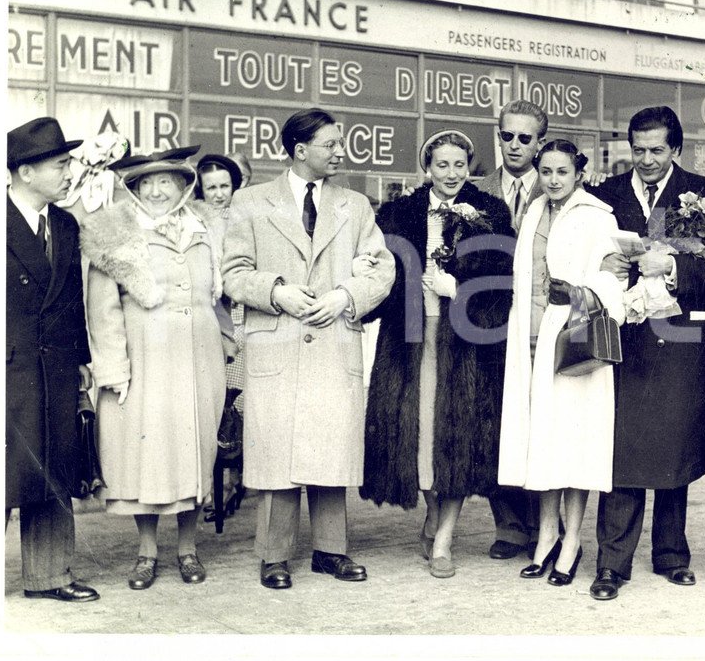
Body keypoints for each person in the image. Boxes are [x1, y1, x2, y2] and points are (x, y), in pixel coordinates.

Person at [221, 108, 394, 589]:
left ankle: (330, 552)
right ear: (300, 151)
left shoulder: (355, 206)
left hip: (334, 339)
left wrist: (346, 296)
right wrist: (276, 292)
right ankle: (273, 555)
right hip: (277, 342)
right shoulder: (251, 202)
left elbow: (381, 270)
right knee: (276, 455)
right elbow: (232, 273)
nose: (341, 152)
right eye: (331, 145)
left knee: (331, 451)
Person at [361, 130, 514, 578]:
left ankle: (444, 538)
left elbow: (503, 281)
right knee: (421, 437)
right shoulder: (399, 212)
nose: (451, 174)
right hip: (409, 342)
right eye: (442, 165)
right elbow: (382, 274)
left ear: (470, 168)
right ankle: (432, 513)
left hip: (464, 345)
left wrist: (460, 289)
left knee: (458, 437)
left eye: (459, 165)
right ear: (427, 168)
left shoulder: (490, 213)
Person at [80, 144, 234, 589]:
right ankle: (147, 551)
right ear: (133, 188)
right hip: (144, 364)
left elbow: (216, 296)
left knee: (193, 452)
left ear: (183, 185)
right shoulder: (116, 232)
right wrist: (113, 370)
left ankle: (188, 548)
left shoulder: (203, 227)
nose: (157, 191)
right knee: (144, 459)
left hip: (198, 360)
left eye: (166, 181)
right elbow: (102, 310)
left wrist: (225, 342)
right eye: (146, 182)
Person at [589, 106, 705, 601]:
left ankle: (672, 555)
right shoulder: (604, 198)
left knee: (674, 445)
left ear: (676, 150)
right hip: (625, 340)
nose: (646, 160)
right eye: (638, 150)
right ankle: (612, 563)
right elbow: (589, 263)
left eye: (656, 150)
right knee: (621, 450)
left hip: (681, 337)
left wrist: (670, 268)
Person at [498, 139, 624, 587]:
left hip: (573, 337)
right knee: (544, 441)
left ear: (579, 174)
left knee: (576, 441)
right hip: (530, 335)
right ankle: (546, 534)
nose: (553, 180)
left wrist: (582, 293)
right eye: (546, 171)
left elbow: (615, 275)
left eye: (562, 172)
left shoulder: (597, 214)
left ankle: (571, 542)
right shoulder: (532, 212)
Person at [6, 117, 100, 603]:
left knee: (53, 468)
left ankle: (50, 575)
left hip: (58, 367)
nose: (70, 172)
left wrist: (82, 358)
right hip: (4, 368)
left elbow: (72, 297)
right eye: (61, 164)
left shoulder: (63, 222)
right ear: (26, 171)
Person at [475, 99, 548, 561]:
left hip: (540, 325)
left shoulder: (558, 185)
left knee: (540, 422)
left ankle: (545, 525)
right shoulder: (474, 189)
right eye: (507, 136)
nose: (514, 145)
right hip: (485, 325)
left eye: (525, 138)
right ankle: (510, 528)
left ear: (540, 142)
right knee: (494, 422)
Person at [193, 154, 248, 524]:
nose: (218, 194)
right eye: (210, 187)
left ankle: (238, 477)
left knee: (240, 400)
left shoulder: (246, 216)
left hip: (245, 312)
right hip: (214, 314)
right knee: (215, 402)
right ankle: (214, 486)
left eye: (224, 186)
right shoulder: (197, 222)